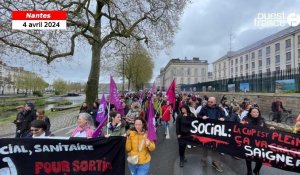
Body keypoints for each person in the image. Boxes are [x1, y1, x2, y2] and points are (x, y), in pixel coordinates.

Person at [197, 97, 225, 172]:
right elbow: (198, 116)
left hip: (216, 131)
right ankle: (204, 159)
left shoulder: (219, 109)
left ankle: (215, 162)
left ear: (215, 102)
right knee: (205, 145)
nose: (209, 103)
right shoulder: (204, 108)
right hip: (206, 131)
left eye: (211, 102)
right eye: (208, 102)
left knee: (215, 147)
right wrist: (202, 117)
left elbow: (224, 116)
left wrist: (223, 119)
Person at [242, 108, 272, 175]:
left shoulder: (261, 120)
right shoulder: (245, 119)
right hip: (249, 142)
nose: (256, 113)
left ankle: (256, 170)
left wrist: (270, 129)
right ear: (250, 113)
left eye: (257, 112)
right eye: (254, 112)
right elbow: (241, 129)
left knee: (260, 158)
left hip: (259, 143)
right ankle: (249, 171)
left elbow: (265, 129)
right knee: (248, 157)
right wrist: (241, 124)